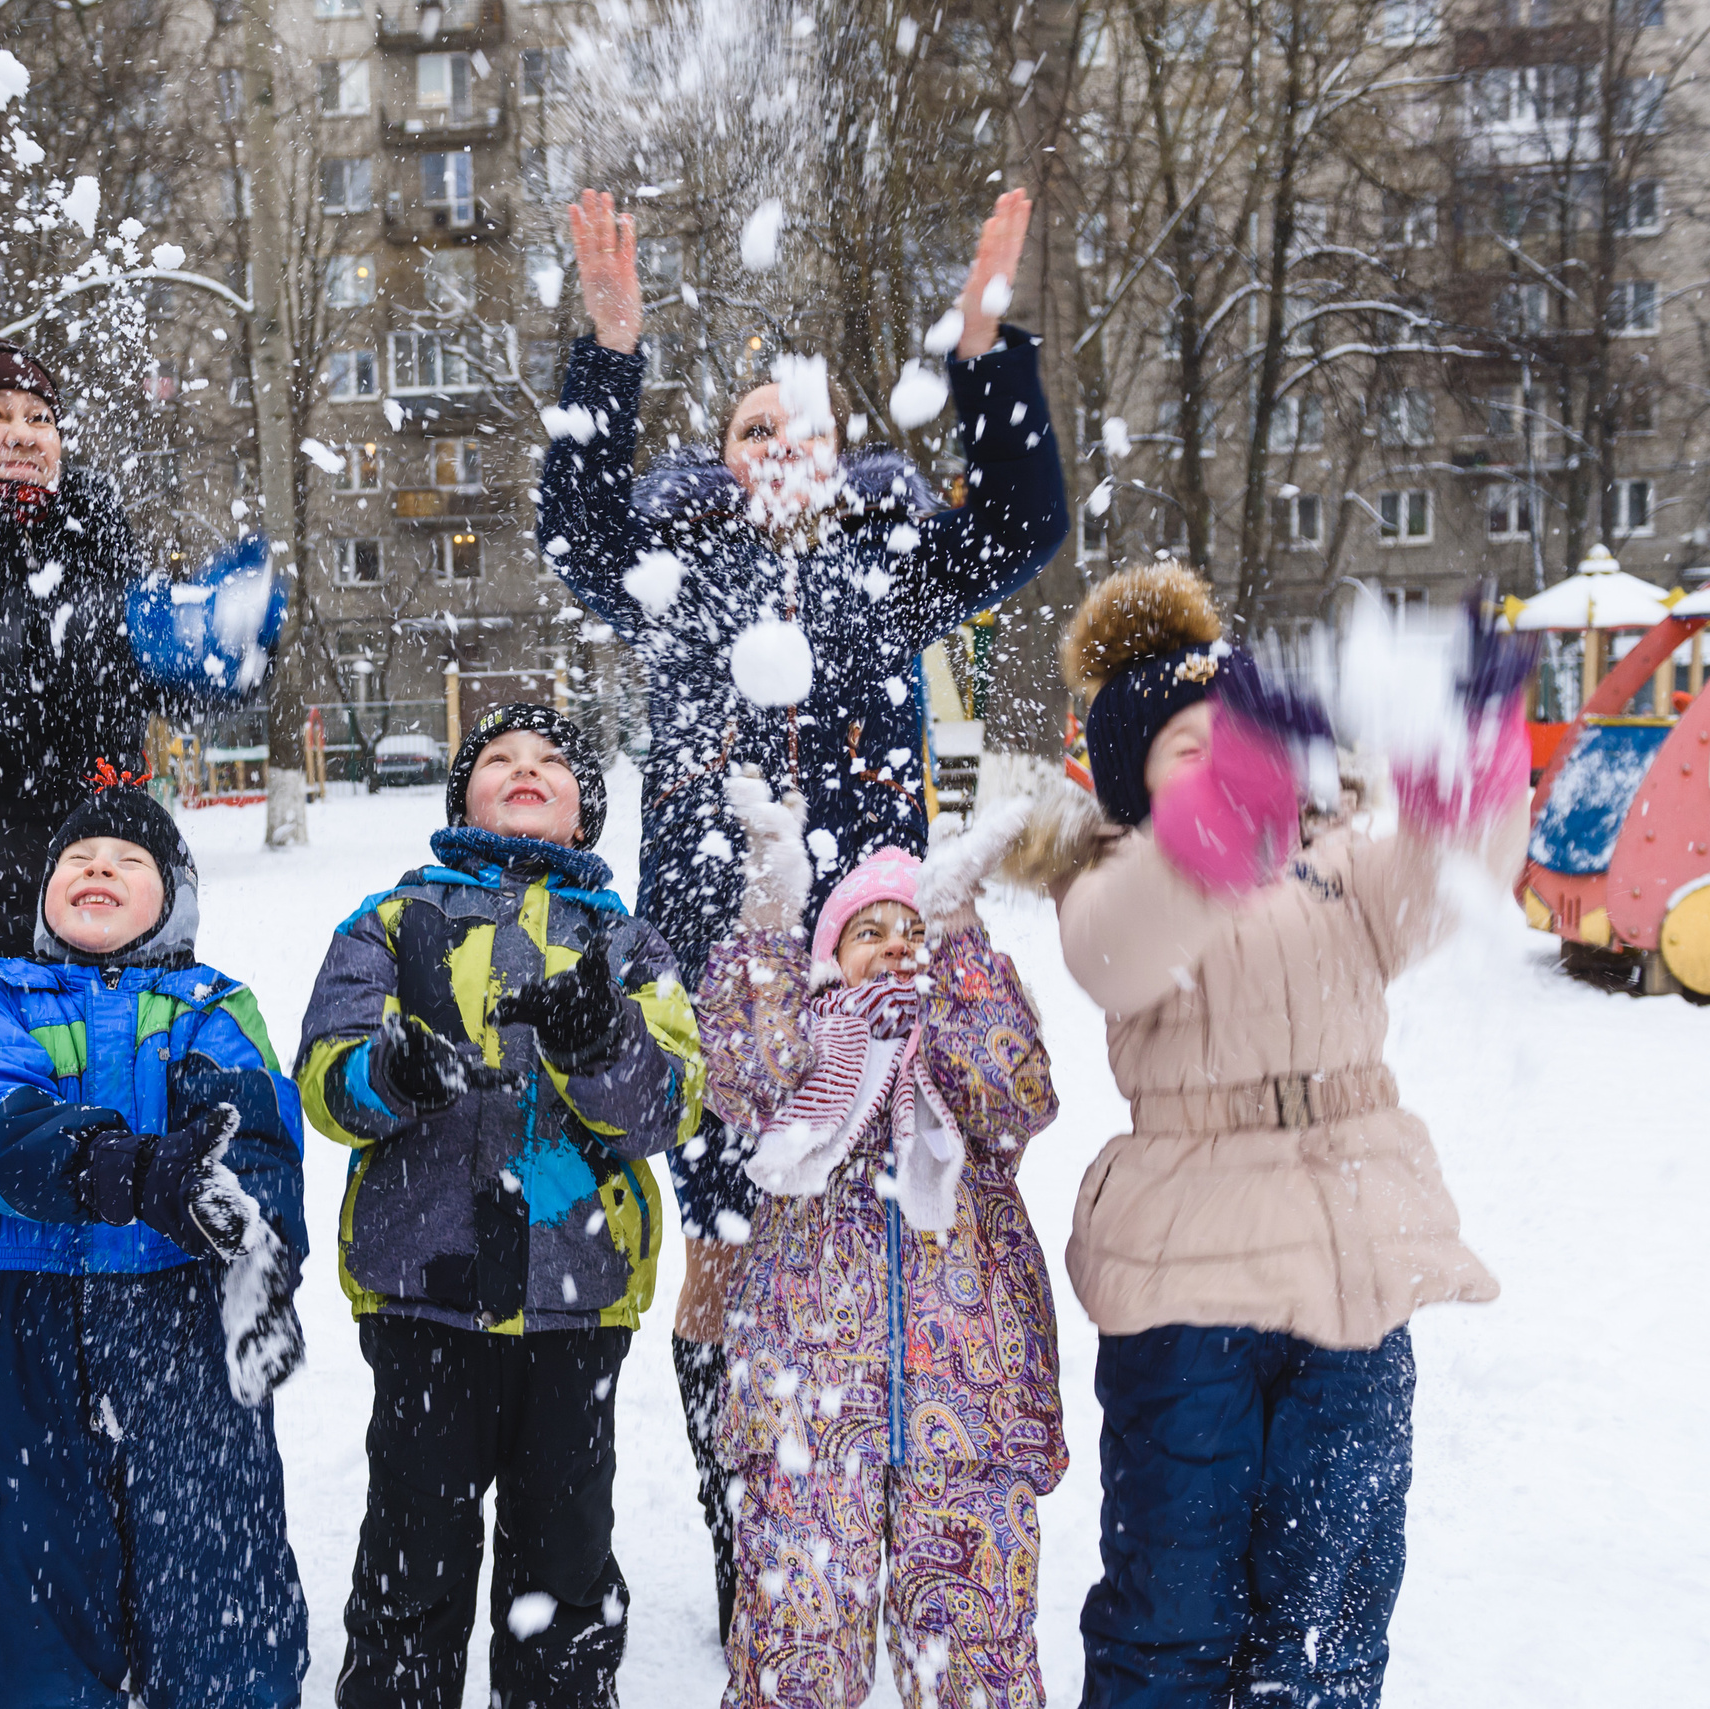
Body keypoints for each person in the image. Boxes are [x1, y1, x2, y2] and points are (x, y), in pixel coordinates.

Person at [538, 187, 1069, 1634]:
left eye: (808, 430)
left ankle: (874, 1523)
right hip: (721, 987)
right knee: (723, 1259)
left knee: (859, 1251)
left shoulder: (891, 566)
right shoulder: (681, 574)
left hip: (864, 980)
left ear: (846, 455)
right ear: (725, 463)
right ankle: (751, 1538)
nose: (783, 449)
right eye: (756, 431)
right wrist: (608, 352)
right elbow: (575, 527)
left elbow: (1027, 517)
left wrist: (984, 354)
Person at [1039, 563, 1526, 1707]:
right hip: (1188, 1280)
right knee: (1175, 1595)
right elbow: (1120, 950)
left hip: (1356, 1253)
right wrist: (1229, 809)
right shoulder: (1117, 880)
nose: (1228, 771)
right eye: (1189, 752)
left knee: (1326, 1605)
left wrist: (1466, 759)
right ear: (1132, 784)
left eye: (1242, 741)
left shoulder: (1337, 868)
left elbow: (1453, 883)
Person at [0, 335, 282, 1560]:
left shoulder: (93, 559)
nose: (27, 429)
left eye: (43, 411)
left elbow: (161, 685)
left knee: (125, 1247)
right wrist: (123, 631)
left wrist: (220, 645)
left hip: (115, 973)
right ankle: (9, 1578)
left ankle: (132, 1577)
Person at [295, 704, 705, 1709]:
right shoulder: (392, 921)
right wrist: (392, 1072)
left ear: (583, 809)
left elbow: (671, 1103)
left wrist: (597, 1047)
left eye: (552, 761)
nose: (526, 768)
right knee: (411, 1557)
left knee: (563, 1564)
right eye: (499, 758)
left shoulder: (622, 939)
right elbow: (323, 1079)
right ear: (461, 794)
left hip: (578, 1294)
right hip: (423, 1290)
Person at [0, 781, 310, 1709]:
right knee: (27, 1591)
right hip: (21, 1334)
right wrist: (123, 1169)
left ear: (173, 896)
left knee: (217, 1577)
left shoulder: (212, 1007)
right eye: (77, 859)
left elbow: (257, 1124)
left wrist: (245, 1223)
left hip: (185, 1325)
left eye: (129, 860)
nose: (99, 866)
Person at [696, 782, 1063, 1708]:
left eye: (915, 930)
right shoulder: (806, 1059)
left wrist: (963, 934)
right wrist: (773, 918)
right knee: (798, 1652)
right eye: (872, 931)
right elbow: (740, 1071)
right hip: (809, 1420)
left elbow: (1016, 1090)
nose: (899, 945)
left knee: (976, 1654)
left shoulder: (960, 1037)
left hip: (969, 1413)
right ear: (830, 962)